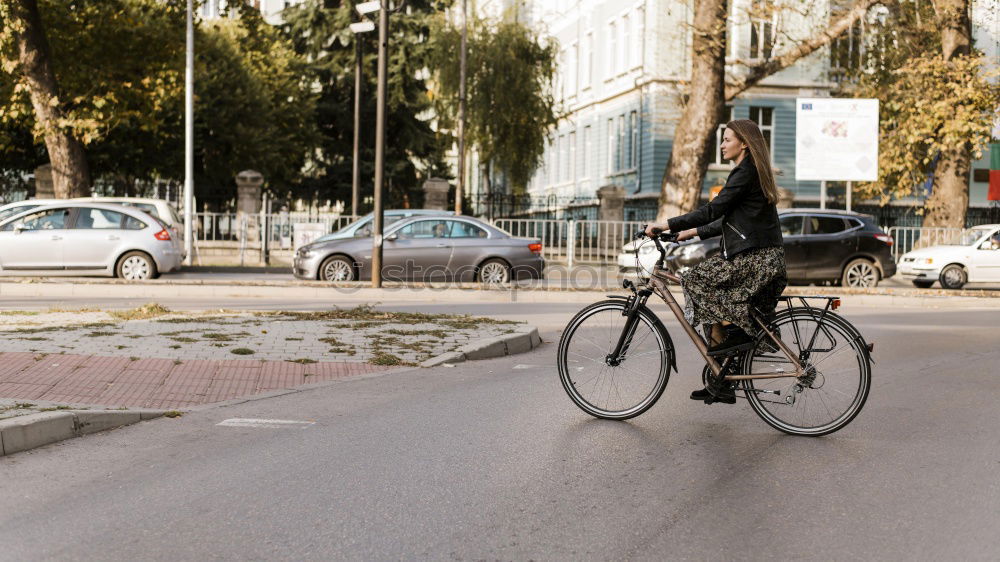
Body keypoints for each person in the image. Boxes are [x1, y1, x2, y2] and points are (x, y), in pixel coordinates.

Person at [644, 119, 787, 404]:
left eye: (727, 140)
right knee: (704, 284)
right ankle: (722, 375)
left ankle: (737, 336)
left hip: (755, 259)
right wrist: (688, 233)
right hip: (762, 257)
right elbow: (728, 220)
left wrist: (666, 224)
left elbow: (713, 210)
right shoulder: (751, 172)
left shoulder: (745, 172)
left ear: (744, 143)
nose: (722, 145)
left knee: (695, 279)